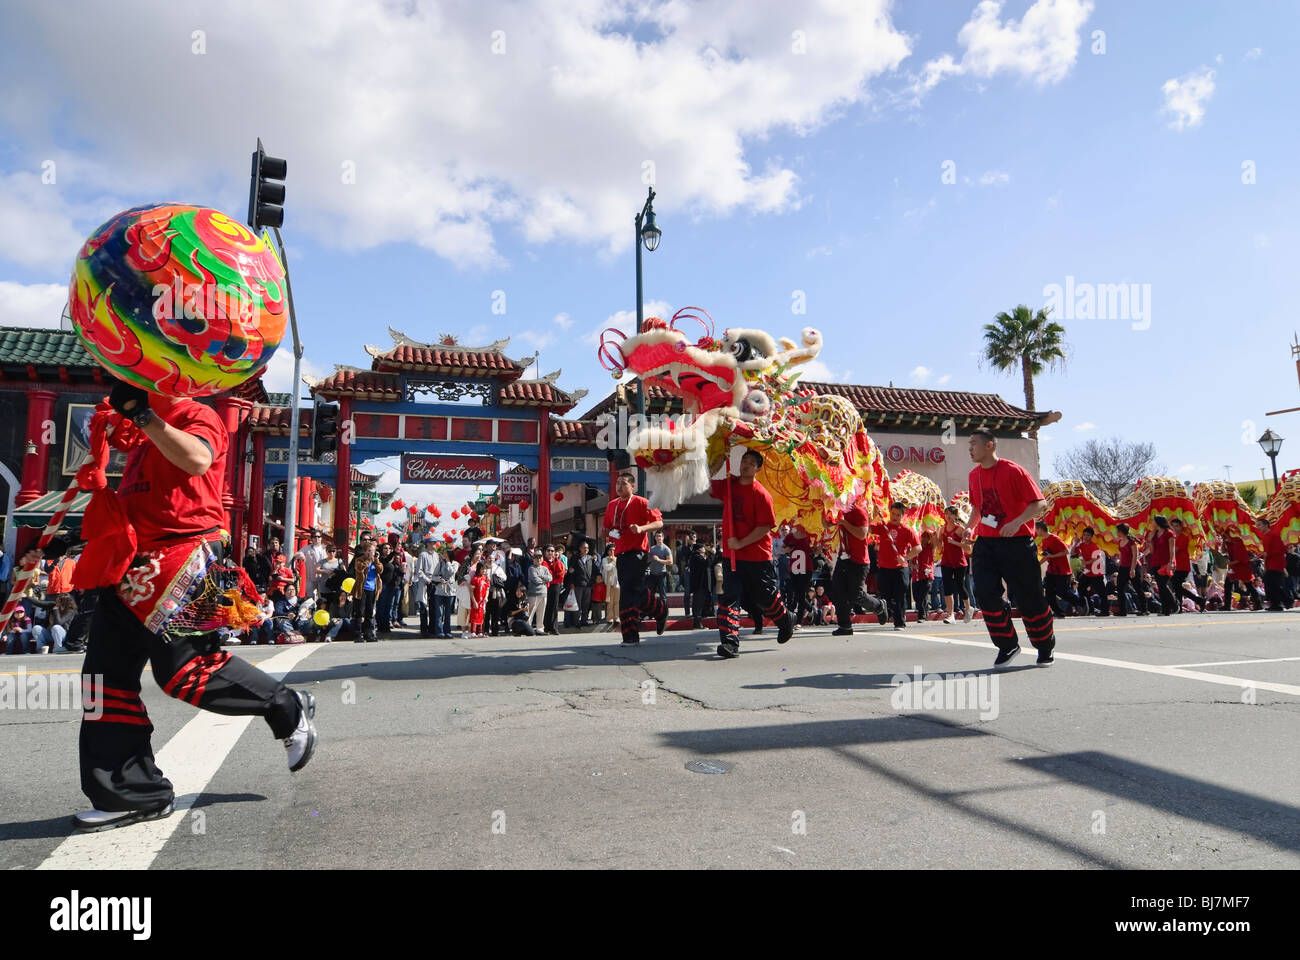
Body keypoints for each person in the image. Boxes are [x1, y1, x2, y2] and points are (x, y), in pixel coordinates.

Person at [35, 381, 315, 833]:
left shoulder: (196, 416)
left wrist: (145, 415)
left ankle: (285, 705)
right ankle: (130, 793)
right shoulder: (140, 432)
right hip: (131, 563)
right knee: (103, 682)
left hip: (185, 556)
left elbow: (198, 459)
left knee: (185, 671)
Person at [966, 427, 1056, 668]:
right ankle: (1008, 645)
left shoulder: (1013, 471)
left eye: (974, 443)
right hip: (986, 543)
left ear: (990, 446)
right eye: (969, 444)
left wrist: (1016, 522)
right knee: (984, 593)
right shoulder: (974, 475)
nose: (970, 448)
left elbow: (1040, 504)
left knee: (1029, 597)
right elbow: (977, 509)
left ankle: (1045, 645)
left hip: (1017, 544)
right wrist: (969, 528)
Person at [708, 449, 794, 658]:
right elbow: (707, 482)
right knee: (729, 597)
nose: (745, 465)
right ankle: (730, 643)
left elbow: (765, 527)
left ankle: (786, 620)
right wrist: (719, 458)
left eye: (750, 462)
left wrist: (740, 542)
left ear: (757, 468)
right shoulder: (729, 485)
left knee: (765, 598)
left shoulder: (761, 494)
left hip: (757, 556)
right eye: (743, 460)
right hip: (732, 556)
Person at [602, 472, 668, 646]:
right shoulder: (612, 505)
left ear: (632, 486)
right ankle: (660, 610)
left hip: (637, 553)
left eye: (623, 483)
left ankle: (631, 636)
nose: (619, 487)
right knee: (633, 591)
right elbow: (607, 528)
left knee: (628, 595)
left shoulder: (642, 502)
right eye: (617, 483)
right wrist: (608, 535)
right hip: (620, 555)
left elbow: (659, 523)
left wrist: (641, 528)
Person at [869, 502, 920, 630]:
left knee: (900, 596)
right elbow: (868, 528)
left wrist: (906, 558)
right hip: (884, 568)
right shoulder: (883, 526)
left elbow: (917, 548)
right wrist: (874, 515)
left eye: (898, 515)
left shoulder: (907, 530)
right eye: (893, 514)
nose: (894, 517)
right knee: (885, 595)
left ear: (902, 516)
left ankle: (900, 622)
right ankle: (887, 614)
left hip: (900, 568)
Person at [1071, 526, 1113, 617]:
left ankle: (1105, 611)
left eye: (1088, 535)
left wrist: (1085, 562)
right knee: (1081, 589)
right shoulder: (1081, 545)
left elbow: (1095, 558)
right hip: (1087, 572)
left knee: (1101, 592)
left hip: (1096, 572)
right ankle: (1089, 608)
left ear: (1091, 536)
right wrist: (1075, 543)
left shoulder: (1094, 546)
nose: (1086, 537)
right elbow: (1073, 553)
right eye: (1084, 535)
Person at [1168, 518, 1207, 612]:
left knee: (1175, 584)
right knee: (1177, 586)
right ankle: (1180, 606)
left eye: (1177, 526)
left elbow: (1175, 550)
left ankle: (1198, 600)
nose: (1174, 528)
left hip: (1182, 565)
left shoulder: (1183, 537)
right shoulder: (1173, 537)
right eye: (1172, 526)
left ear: (1181, 527)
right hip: (1176, 565)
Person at [940, 507, 971, 623]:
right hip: (946, 561)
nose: (948, 516)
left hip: (959, 561)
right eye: (946, 514)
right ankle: (950, 614)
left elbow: (968, 549)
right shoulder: (942, 529)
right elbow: (938, 545)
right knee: (947, 587)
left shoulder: (960, 529)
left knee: (959, 586)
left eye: (951, 514)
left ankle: (968, 608)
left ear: (955, 516)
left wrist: (954, 542)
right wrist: (934, 539)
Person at [1142, 516, 1178, 616]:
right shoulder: (1154, 534)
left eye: (1153, 521)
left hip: (1166, 562)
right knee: (1161, 586)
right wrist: (1149, 540)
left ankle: (1174, 604)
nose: (1151, 523)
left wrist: (1171, 562)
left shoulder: (1169, 533)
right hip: (1156, 561)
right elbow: (1152, 551)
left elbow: (1172, 549)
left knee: (1163, 585)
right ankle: (1166, 609)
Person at [350, 539, 383, 641]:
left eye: (372, 551)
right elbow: (359, 568)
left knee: (369, 612)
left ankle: (368, 634)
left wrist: (376, 560)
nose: (370, 553)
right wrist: (369, 560)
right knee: (359, 612)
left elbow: (381, 570)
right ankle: (358, 634)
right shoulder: (359, 560)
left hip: (372, 589)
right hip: (361, 589)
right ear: (365, 551)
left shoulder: (375, 561)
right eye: (369, 551)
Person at [1259, 517, 1292, 611]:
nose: (1258, 527)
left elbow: (1281, 549)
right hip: (1270, 563)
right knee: (1270, 584)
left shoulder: (1274, 535)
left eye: (1260, 525)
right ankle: (1277, 604)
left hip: (1276, 563)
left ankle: (1286, 601)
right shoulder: (1266, 536)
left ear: (1266, 525)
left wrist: (1267, 555)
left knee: (1272, 584)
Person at [1114, 523, 1148, 616]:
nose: (1116, 532)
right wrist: (1120, 565)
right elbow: (1121, 554)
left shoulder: (1132, 542)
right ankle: (1122, 610)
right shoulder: (1120, 541)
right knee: (1120, 589)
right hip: (1123, 567)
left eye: (1117, 531)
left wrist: (1132, 570)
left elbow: (1135, 556)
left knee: (1137, 588)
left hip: (1133, 566)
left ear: (1121, 531)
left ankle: (1144, 609)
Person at [783, 524, 813, 626]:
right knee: (797, 594)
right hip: (794, 568)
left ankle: (798, 621)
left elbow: (815, 550)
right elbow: (784, 550)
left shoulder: (810, 535)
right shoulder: (790, 536)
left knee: (801, 594)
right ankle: (810, 608)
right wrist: (789, 548)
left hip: (806, 568)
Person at [430, 544, 458, 639]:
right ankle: (439, 631)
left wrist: (448, 562)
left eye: (446, 554)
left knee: (448, 613)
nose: (444, 555)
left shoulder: (455, 564)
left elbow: (451, 572)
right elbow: (433, 576)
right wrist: (439, 579)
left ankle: (448, 631)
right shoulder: (440, 564)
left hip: (450, 591)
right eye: (443, 554)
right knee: (439, 612)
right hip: (440, 591)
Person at [568, 539, 597, 626]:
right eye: (584, 548)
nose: (586, 549)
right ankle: (576, 621)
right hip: (578, 584)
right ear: (580, 548)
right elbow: (571, 572)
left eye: (587, 548)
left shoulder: (590, 558)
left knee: (586, 604)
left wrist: (596, 578)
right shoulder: (575, 558)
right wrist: (572, 583)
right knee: (577, 604)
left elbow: (595, 570)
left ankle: (584, 620)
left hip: (588, 585)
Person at [911, 530, 937, 622]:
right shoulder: (916, 548)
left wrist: (933, 533)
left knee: (922, 596)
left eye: (927, 537)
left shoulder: (930, 547)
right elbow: (910, 559)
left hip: (927, 575)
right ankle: (925, 612)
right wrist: (913, 565)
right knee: (916, 596)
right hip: (916, 575)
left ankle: (921, 616)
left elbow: (935, 542)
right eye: (924, 536)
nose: (925, 539)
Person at [541, 544, 566, 635]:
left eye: (552, 551)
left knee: (554, 606)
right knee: (546, 606)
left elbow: (560, 572)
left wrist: (556, 560)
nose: (550, 553)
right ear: (545, 552)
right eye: (548, 551)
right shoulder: (543, 562)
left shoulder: (557, 561)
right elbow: (546, 574)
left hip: (555, 585)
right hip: (546, 585)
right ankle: (546, 627)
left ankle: (554, 627)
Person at [690, 542, 715, 628]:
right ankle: (697, 623)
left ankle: (701, 620)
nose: (704, 549)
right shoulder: (696, 557)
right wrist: (712, 554)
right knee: (698, 604)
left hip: (703, 585)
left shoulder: (700, 557)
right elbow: (706, 564)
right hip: (699, 585)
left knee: (703, 603)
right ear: (699, 549)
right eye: (702, 547)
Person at [647, 531, 672, 606]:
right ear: (655, 538)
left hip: (662, 574)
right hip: (652, 574)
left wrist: (659, 560)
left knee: (662, 595)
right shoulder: (652, 549)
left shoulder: (666, 549)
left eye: (660, 536)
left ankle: (664, 613)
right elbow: (647, 560)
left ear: (663, 538)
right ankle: (650, 612)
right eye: (657, 536)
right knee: (651, 595)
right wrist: (650, 559)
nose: (658, 538)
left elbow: (670, 562)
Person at [676, 532, 697, 618]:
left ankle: (696, 612)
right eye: (691, 537)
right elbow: (681, 556)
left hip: (696, 572)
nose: (693, 539)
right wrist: (686, 543)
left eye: (694, 537)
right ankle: (687, 612)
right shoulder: (685, 548)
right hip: (688, 571)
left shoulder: (698, 547)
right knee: (687, 593)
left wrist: (695, 546)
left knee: (697, 593)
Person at [600, 544, 619, 625]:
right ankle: (610, 617)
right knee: (610, 601)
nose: (612, 552)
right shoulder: (605, 559)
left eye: (614, 550)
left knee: (617, 601)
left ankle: (617, 617)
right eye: (611, 550)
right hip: (609, 583)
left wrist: (614, 561)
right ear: (607, 551)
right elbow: (607, 568)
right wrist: (613, 562)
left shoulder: (617, 559)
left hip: (617, 582)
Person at [468, 563, 489, 638]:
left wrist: (486, 597)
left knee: (481, 615)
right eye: (482, 569)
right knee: (474, 615)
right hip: (476, 599)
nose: (484, 570)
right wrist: (473, 601)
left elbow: (487, 589)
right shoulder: (475, 579)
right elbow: (471, 591)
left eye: (485, 569)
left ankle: (480, 631)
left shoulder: (485, 578)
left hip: (482, 600)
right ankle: (473, 631)